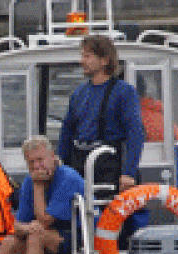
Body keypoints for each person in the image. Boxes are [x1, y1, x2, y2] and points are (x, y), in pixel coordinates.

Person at [57, 35, 145, 194]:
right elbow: (66, 132)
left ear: (104, 60)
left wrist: (129, 172)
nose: (82, 61)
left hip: (109, 167)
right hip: (80, 164)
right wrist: (61, 167)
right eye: (82, 55)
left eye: (87, 56)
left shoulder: (124, 92)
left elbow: (135, 132)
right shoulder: (79, 93)